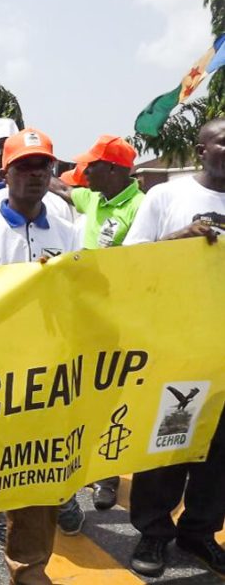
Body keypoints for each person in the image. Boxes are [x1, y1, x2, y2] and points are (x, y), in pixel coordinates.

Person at [0, 128, 79, 585]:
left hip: (46, 376)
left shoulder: (66, 227)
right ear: (5, 172)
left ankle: (30, 566)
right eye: (23, 167)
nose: (33, 175)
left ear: (52, 171)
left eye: (41, 166)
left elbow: (76, 297)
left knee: (39, 473)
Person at [122, 117, 224, 579]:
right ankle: (154, 532)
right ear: (201, 150)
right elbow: (131, 262)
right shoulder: (166, 196)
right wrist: (175, 242)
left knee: (219, 450)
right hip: (177, 346)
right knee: (168, 440)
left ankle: (200, 531)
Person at [50, 135, 143, 250]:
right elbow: (63, 189)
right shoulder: (92, 198)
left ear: (112, 168)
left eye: (92, 164)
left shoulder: (141, 206)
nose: (85, 171)